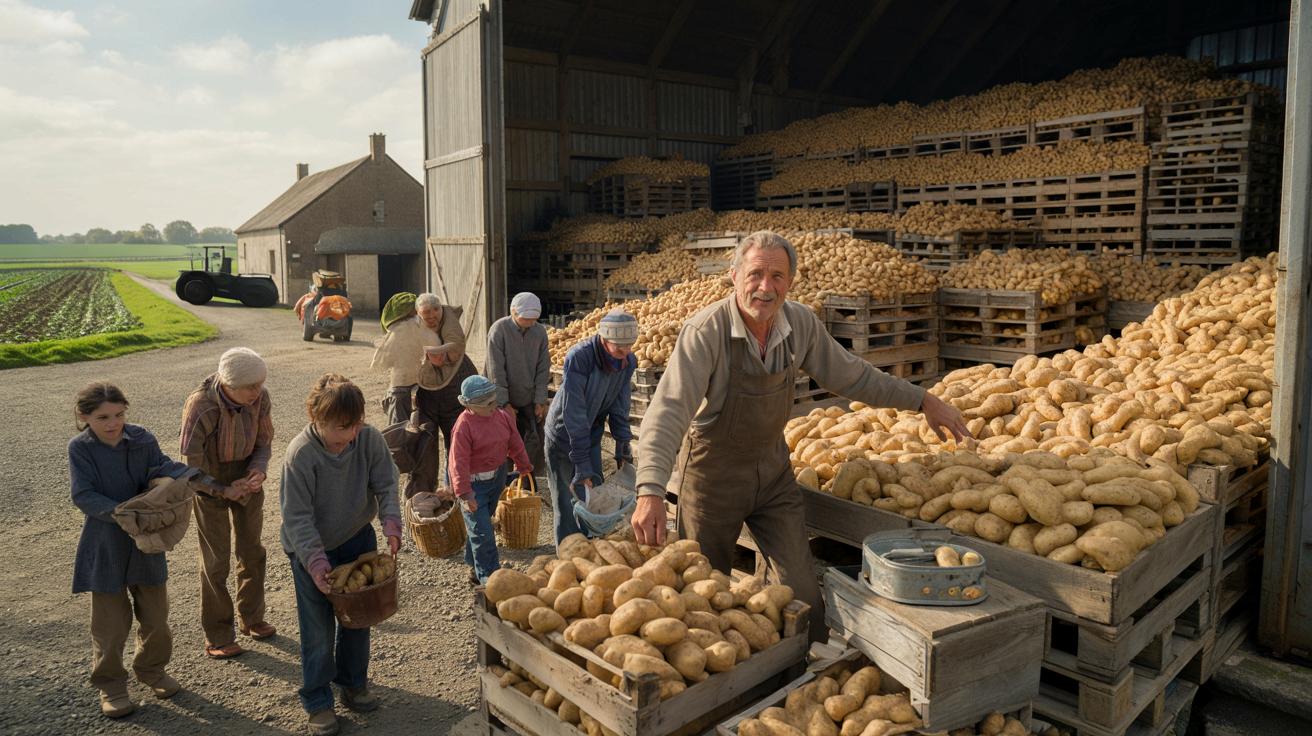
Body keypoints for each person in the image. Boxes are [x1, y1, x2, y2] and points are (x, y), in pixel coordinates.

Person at [630, 231, 971, 640]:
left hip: (772, 476)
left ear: (790, 282)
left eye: (777, 276)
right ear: (734, 276)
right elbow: (668, 410)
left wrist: (921, 400)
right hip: (712, 482)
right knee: (704, 596)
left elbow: (853, 375)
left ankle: (797, 679)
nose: (765, 287)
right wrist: (649, 488)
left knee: (804, 594)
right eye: (755, 274)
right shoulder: (706, 332)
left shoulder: (800, 324)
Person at [280, 374, 402, 736]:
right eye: (339, 428)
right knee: (317, 629)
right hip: (311, 548)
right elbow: (297, 518)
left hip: (355, 537)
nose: (347, 435)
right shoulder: (301, 455)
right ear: (315, 418)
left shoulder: (368, 439)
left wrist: (391, 524)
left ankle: (353, 683)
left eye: (354, 425)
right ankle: (317, 700)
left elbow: (386, 482)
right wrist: (317, 564)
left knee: (359, 618)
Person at [70, 382, 192, 718]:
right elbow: (83, 495)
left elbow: (162, 466)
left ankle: (152, 670)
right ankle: (111, 685)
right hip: (106, 542)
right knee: (109, 626)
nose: (113, 423)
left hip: (147, 543)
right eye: (103, 417)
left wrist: (176, 477)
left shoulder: (142, 438)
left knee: (156, 617)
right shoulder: (79, 448)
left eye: (119, 414)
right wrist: (122, 514)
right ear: (84, 417)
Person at [179, 347, 276, 659]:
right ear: (229, 384)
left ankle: (253, 617)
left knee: (252, 551)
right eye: (250, 387)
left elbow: (264, 442)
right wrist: (221, 489)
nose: (257, 392)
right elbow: (189, 467)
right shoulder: (201, 406)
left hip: (246, 477)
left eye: (260, 384)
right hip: (209, 483)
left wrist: (258, 471)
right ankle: (219, 634)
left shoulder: (260, 398)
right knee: (215, 561)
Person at [543, 309, 638, 543]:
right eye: (619, 348)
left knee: (594, 498)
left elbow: (620, 404)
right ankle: (566, 556)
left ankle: (591, 552)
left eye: (629, 346)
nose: (625, 353)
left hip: (591, 434)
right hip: (564, 435)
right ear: (604, 341)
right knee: (567, 500)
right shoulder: (580, 358)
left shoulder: (627, 362)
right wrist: (581, 464)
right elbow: (574, 414)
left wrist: (622, 443)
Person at [448, 375, 534, 584]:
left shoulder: (502, 416)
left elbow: (515, 441)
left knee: (480, 526)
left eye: (493, 401)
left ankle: (474, 565)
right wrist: (464, 492)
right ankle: (491, 578)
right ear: (469, 405)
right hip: (473, 484)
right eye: (486, 404)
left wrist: (524, 465)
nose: (492, 406)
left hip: (497, 478)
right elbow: (457, 462)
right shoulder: (464, 426)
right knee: (484, 532)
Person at [485, 291, 549, 475]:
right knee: (504, 441)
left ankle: (530, 482)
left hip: (528, 396)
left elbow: (543, 368)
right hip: (503, 397)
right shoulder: (499, 330)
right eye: (525, 319)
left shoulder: (539, 332)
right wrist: (504, 404)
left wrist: (540, 399)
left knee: (534, 440)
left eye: (533, 319)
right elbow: (495, 370)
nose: (529, 323)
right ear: (513, 312)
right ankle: (503, 483)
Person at [370, 292, 426, 425]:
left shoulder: (395, 333)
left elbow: (381, 363)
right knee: (425, 429)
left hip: (400, 388)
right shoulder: (422, 326)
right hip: (423, 385)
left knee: (397, 432)